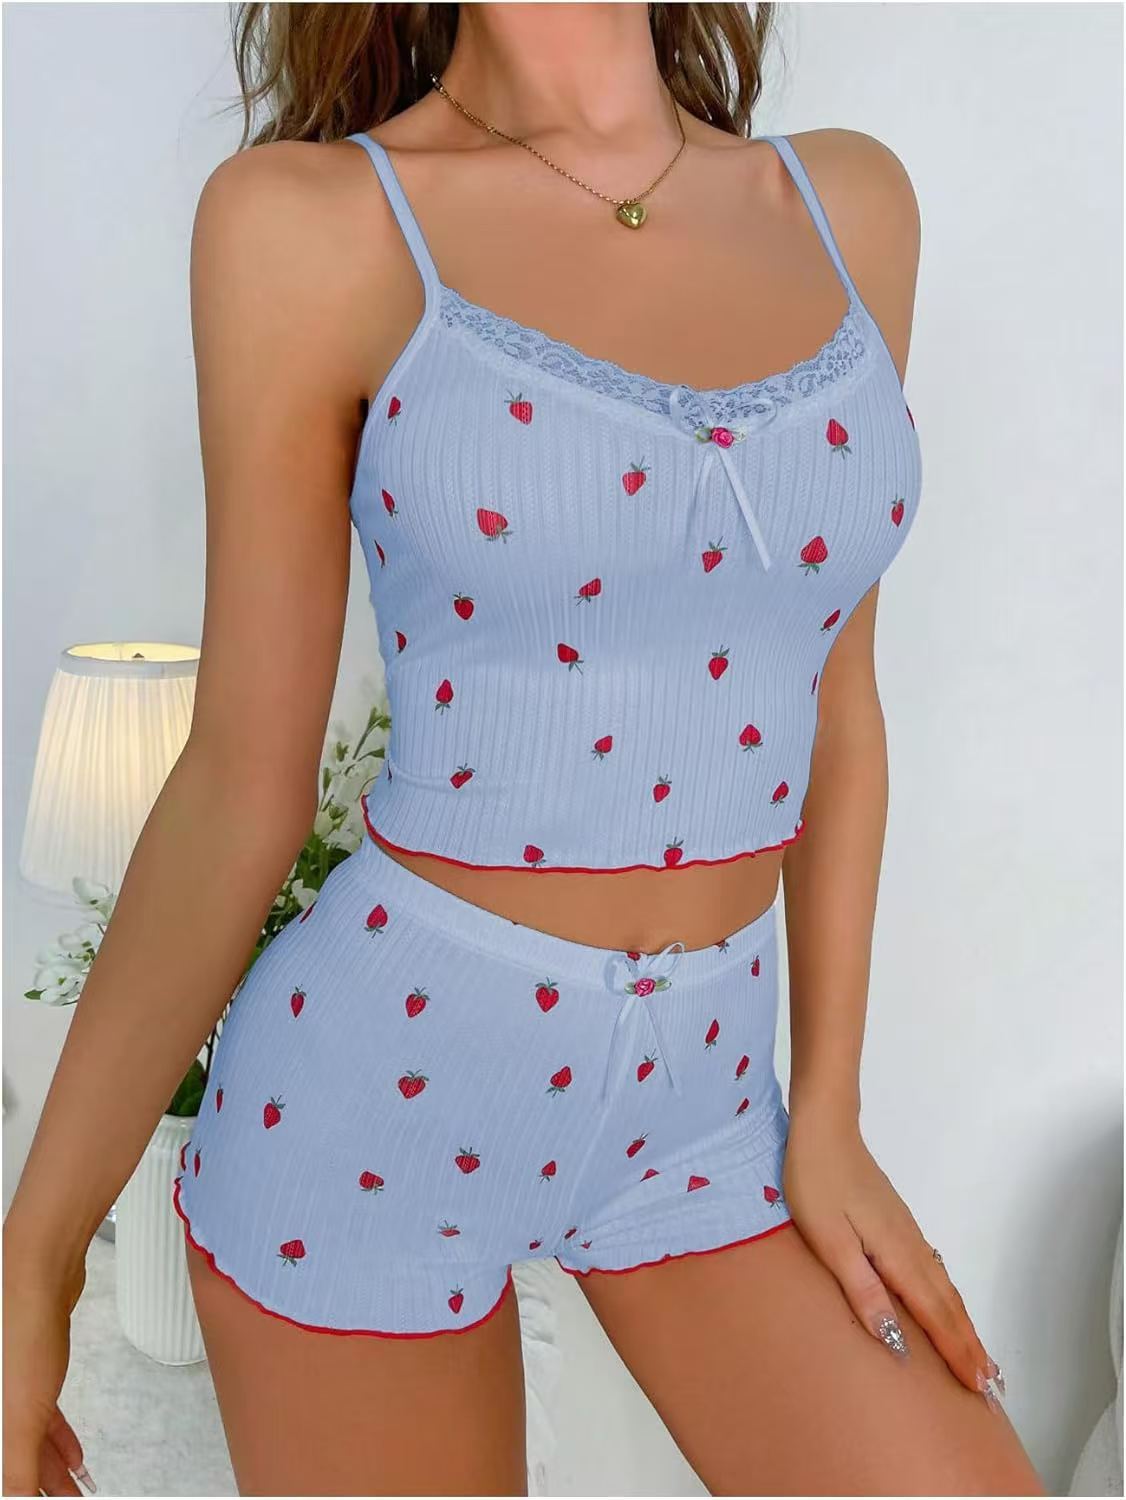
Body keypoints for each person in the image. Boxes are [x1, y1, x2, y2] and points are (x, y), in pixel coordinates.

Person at [3, 4, 1047, 1495]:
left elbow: (838, 703)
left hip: (709, 1115)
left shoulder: (848, 206)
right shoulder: (309, 226)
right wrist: (33, 1265)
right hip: (372, 1109)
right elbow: (240, 782)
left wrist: (827, 1113)